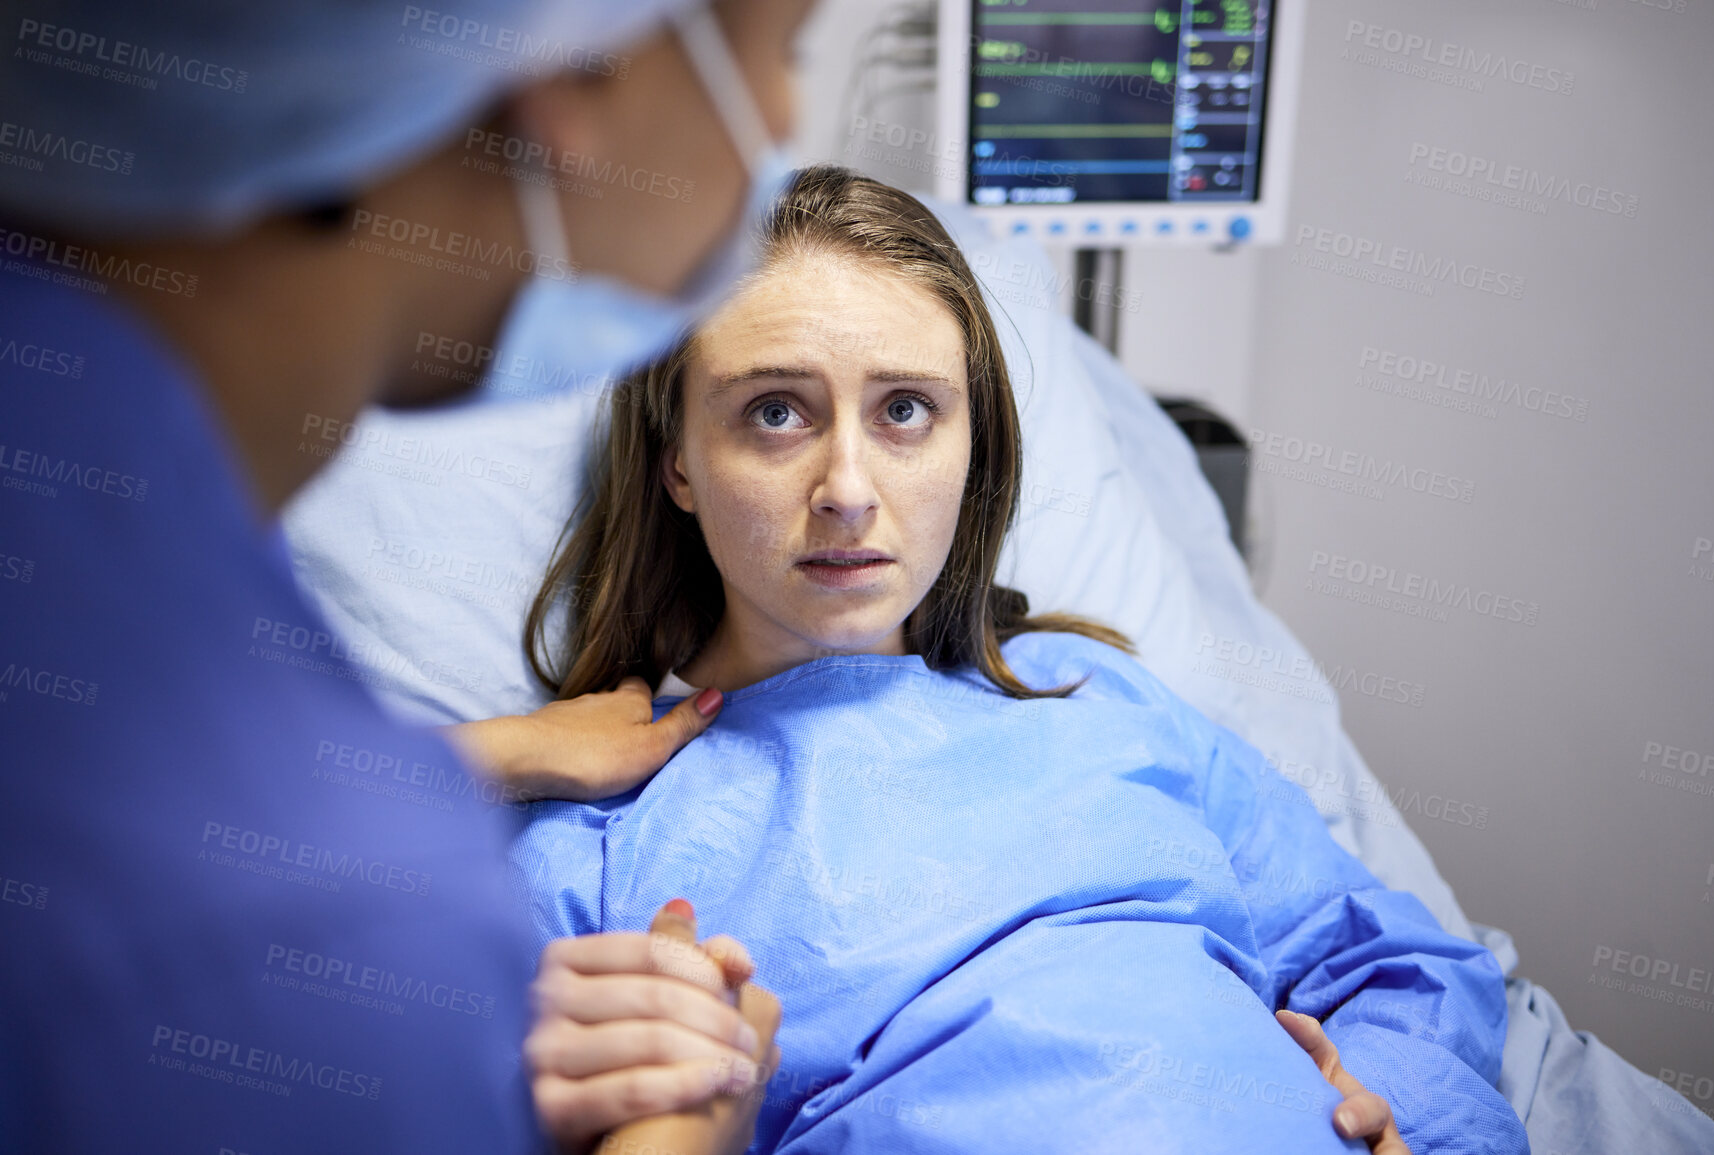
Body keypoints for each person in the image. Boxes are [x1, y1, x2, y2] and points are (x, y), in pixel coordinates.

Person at [508, 166, 1532, 1153]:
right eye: (777, 411)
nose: (849, 489)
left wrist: (1395, 1109)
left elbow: (1400, 962)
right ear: (679, 461)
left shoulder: (1095, 696)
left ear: (974, 446)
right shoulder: (600, 852)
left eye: (905, 410)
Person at [0, 0, 811, 1150]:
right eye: (790, 50)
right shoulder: (317, 921)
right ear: (573, 76)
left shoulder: (98, 448)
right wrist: (682, 1129)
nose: (783, 121)